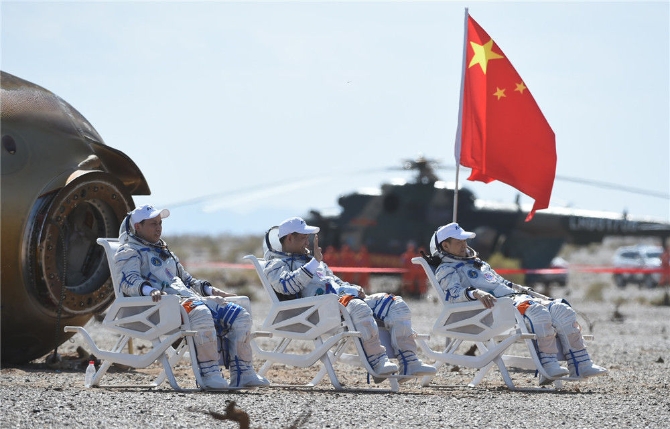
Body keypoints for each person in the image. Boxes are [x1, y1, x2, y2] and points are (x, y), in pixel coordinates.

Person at [113, 204, 269, 389]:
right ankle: (209, 374)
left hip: (183, 303)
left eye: (160, 223)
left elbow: (186, 280)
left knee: (240, 314)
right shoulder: (128, 251)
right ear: (138, 226)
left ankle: (243, 372)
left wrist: (211, 291)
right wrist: (149, 291)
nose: (158, 228)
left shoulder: (163, 251)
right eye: (153, 224)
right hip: (156, 309)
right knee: (200, 312)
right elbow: (128, 281)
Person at [263, 217, 436, 381]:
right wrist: (314, 263)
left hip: (340, 303)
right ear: (289, 238)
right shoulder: (276, 264)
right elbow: (287, 286)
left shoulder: (313, 261)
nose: (307, 242)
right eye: (303, 238)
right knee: (357, 306)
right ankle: (377, 360)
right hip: (315, 313)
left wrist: (353, 288)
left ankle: (409, 361)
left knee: (395, 304)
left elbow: (334, 282)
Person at [431, 222, 607, 383]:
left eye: (464, 240)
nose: (464, 245)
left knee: (561, 309)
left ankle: (581, 363)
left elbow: (500, 283)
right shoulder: (446, 269)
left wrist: (524, 290)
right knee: (536, 312)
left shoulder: (478, 264)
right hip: (491, 312)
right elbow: (453, 294)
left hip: (512, 301)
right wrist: (475, 292)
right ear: (445, 246)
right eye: (459, 242)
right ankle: (547, 364)